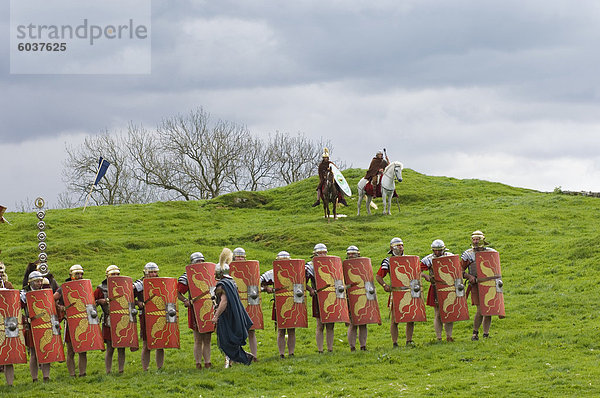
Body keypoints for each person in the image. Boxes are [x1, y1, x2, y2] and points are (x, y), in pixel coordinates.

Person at [212, 248, 254, 366]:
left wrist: (216, 316)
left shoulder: (222, 284)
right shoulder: (231, 282)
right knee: (230, 339)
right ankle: (235, 360)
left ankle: (244, 358)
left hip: (227, 315)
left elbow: (224, 302)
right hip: (234, 314)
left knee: (226, 340)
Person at [375, 237, 415, 347]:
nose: (400, 247)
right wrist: (384, 285)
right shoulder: (388, 261)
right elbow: (378, 276)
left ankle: (409, 340)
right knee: (395, 319)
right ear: (392, 248)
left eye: (401, 245)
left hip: (408, 291)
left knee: (410, 317)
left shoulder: (409, 259)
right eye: (398, 245)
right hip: (396, 292)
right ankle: (395, 342)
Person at [461, 230, 498, 341]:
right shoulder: (468, 254)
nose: (475, 242)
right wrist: (469, 277)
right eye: (474, 239)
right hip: (476, 285)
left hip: (489, 284)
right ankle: (475, 333)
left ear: (482, 240)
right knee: (480, 309)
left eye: (477, 239)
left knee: (488, 309)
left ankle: (486, 334)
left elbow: (496, 269)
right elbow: (459, 270)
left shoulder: (491, 253)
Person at [177, 252, 212, 370]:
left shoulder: (209, 273)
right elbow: (177, 291)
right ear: (192, 263)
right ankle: (198, 363)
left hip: (208, 307)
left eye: (202, 261)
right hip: (195, 309)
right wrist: (185, 300)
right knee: (198, 338)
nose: (200, 263)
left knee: (207, 338)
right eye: (198, 261)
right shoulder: (187, 276)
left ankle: (208, 362)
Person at [261, 251, 297, 359]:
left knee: (291, 328)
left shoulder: (294, 271)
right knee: (281, 330)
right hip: (279, 302)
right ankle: (281, 353)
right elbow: (259, 281)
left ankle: (291, 353)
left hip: (291, 300)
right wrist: (267, 288)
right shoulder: (273, 272)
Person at [54, 264, 88, 377]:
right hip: (71, 322)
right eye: (77, 274)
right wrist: (60, 308)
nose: (80, 276)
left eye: (81, 273)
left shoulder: (85, 286)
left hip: (82, 320)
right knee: (71, 350)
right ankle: (72, 374)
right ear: (71, 275)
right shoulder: (64, 288)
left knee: (83, 350)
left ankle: (83, 373)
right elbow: (52, 299)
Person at [94, 265, 127, 374]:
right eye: (113, 274)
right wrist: (99, 301)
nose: (115, 276)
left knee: (121, 347)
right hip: (108, 319)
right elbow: (91, 303)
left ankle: (121, 370)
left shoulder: (124, 286)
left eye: (117, 274)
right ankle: (108, 371)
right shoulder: (101, 288)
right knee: (110, 347)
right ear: (107, 275)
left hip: (122, 318)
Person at [421, 239, 455, 342]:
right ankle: (439, 337)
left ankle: (449, 336)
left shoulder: (449, 256)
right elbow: (417, 270)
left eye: (439, 250)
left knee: (448, 311)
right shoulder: (428, 259)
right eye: (435, 250)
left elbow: (457, 268)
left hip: (449, 287)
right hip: (435, 287)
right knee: (438, 313)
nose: (437, 252)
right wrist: (425, 275)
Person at [21, 271, 51, 382]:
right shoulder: (24, 293)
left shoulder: (45, 292)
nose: (39, 283)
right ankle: (35, 378)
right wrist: (23, 318)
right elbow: (16, 308)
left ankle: (46, 376)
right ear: (31, 282)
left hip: (45, 324)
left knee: (45, 349)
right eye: (37, 281)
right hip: (31, 326)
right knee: (33, 352)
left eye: (40, 281)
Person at [134, 262, 165, 371]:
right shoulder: (139, 284)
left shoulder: (162, 283)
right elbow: (128, 297)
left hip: (160, 315)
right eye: (150, 272)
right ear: (145, 273)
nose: (152, 274)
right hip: (146, 316)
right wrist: (138, 303)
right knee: (147, 344)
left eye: (154, 272)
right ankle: (145, 368)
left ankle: (160, 367)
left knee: (160, 342)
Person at [306, 243, 335, 353]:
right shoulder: (310, 266)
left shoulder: (332, 263)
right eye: (320, 252)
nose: (323, 254)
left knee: (331, 324)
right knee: (320, 324)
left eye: (324, 252)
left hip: (331, 295)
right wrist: (310, 290)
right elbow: (303, 282)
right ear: (315, 254)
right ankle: (320, 349)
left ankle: (330, 348)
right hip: (318, 297)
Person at [231, 247, 258, 360]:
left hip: (249, 303)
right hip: (235, 304)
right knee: (236, 332)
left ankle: (254, 356)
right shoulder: (229, 270)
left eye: (242, 256)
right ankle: (237, 357)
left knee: (251, 330)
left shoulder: (250, 269)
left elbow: (255, 283)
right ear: (233, 257)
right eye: (238, 256)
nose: (240, 258)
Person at [345, 245, 368, 351]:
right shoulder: (343, 266)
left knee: (363, 321)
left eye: (353, 254)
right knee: (352, 323)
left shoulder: (364, 265)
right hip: (349, 297)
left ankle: (363, 346)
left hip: (363, 295)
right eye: (349, 254)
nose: (351, 256)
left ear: (358, 254)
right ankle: (352, 347)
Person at [1, 262, 15, 386]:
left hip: (6, 325)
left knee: (7, 355)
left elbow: (13, 303)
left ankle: (9, 383)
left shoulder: (8, 285)